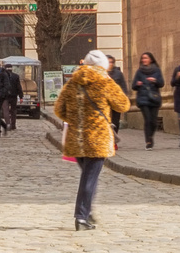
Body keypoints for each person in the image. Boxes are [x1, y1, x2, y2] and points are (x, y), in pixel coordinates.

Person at [55, 49, 133, 232]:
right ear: (103, 66)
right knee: (89, 179)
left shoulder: (73, 82)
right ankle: (81, 217)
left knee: (88, 177)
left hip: (76, 138)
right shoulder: (105, 81)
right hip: (97, 139)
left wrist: (74, 117)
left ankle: (87, 212)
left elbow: (59, 109)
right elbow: (123, 104)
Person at [129, 52, 165, 149]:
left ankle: (151, 136)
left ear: (151, 59)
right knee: (147, 119)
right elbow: (133, 86)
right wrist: (138, 84)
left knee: (153, 122)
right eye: (143, 58)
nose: (144, 60)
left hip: (154, 98)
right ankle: (148, 141)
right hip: (143, 99)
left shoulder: (157, 70)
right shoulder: (139, 71)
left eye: (146, 58)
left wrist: (155, 81)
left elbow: (162, 83)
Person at [0, 60, 22, 135]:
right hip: (13, 96)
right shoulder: (16, 76)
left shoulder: (2, 75)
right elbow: (19, 87)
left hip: (5, 96)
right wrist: (21, 96)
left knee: (5, 110)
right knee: (13, 110)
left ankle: (8, 124)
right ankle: (13, 125)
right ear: (12, 69)